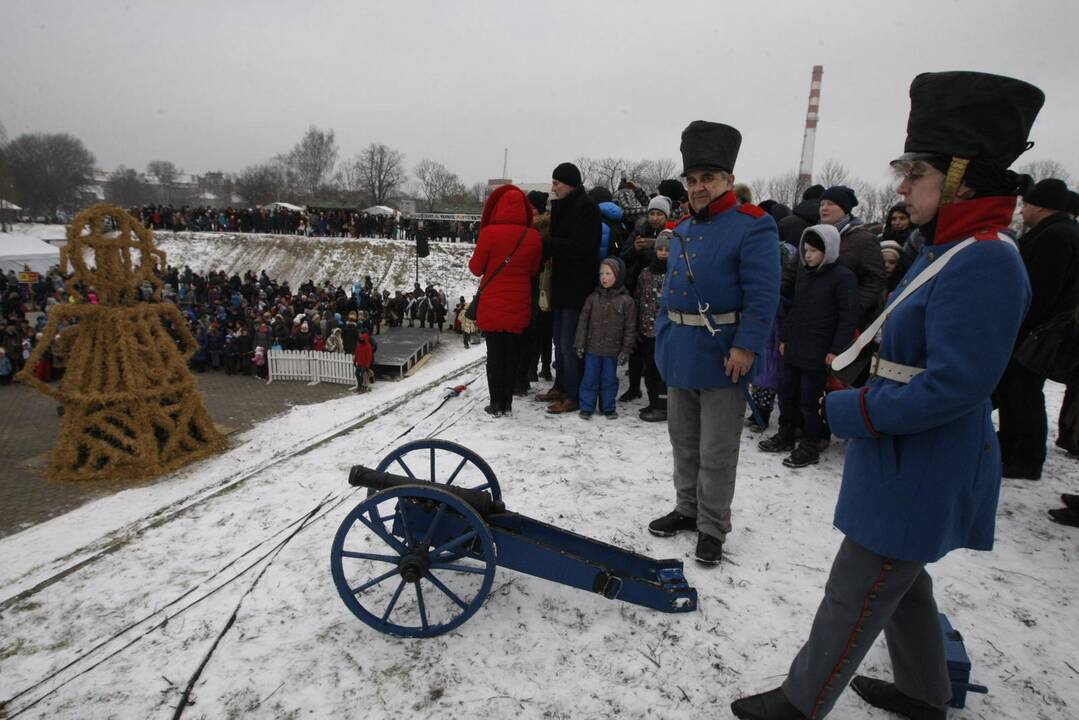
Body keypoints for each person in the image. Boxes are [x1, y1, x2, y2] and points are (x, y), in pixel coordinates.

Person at [731, 70, 1042, 720]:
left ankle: (799, 702)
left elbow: (955, 386)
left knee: (857, 587)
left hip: (919, 462)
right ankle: (924, 694)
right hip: (904, 456)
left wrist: (849, 410)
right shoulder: (953, 249)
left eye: (915, 173)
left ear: (961, 177)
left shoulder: (985, 259)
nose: (899, 186)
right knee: (900, 585)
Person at [648, 120, 781, 566]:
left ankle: (711, 525)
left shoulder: (754, 225)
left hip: (724, 354)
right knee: (683, 441)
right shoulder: (683, 228)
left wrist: (746, 347)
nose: (699, 187)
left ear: (727, 179)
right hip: (680, 349)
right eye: (693, 179)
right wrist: (664, 338)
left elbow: (763, 295)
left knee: (717, 450)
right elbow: (670, 291)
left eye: (708, 178)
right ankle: (687, 509)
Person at [994, 177, 1079, 479]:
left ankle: (1025, 458)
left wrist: (1021, 326)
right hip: (1040, 329)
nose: (1021, 211)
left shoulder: (1055, 236)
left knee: (1023, 391)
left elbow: (1041, 291)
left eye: (1026, 204)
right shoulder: (1057, 231)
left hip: (1037, 331)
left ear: (1041, 206)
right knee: (1016, 390)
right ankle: (1010, 447)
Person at [758, 224, 858, 468]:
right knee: (786, 392)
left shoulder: (843, 277)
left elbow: (848, 317)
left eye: (814, 250)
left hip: (820, 350)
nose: (808, 255)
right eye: (805, 249)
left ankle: (811, 443)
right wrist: (785, 339)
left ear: (830, 250)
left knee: (809, 400)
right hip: (795, 345)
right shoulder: (805, 274)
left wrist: (836, 350)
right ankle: (786, 433)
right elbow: (795, 309)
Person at [468, 184, 543, 416]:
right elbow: (533, 269)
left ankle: (496, 403)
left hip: (492, 304)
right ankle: (508, 402)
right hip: (519, 303)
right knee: (512, 356)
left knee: (495, 356)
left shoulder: (489, 233)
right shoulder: (532, 236)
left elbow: (476, 268)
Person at [534, 162, 601, 414]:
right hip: (561, 284)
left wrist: (549, 243)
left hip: (576, 285)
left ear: (570, 182)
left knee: (568, 343)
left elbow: (581, 247)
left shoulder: (587, 208)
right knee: (558, 340)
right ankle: (561, 385)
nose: (554, 187)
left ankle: (573, 394)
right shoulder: (564, 207)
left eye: (557, 182)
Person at [574, 256, 637, 419]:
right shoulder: (593, 298)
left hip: (612, 351)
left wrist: (625, 350)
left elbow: (630, 328)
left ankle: (608, 406)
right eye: (601, 273)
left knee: (609, 380)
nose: (604, 277)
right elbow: (583, 321)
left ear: (618, 276)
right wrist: (580, 343)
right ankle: (587, 406)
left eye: (608, 273)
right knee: (589, 378)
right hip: (592, 349)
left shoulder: (626, 301)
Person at [817, 185, 887, 328]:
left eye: (831, 204)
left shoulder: (864, 239)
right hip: (816, 318)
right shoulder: (814, 235)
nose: (824, 208)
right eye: (822, 204)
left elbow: (875, 279)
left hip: (845, 323)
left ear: (845, 208)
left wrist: (852, 310)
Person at [636, 230, 670, 422]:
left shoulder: (674, 274)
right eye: (660, 249)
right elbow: (639, 298)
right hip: (647, 329)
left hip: (665, 331)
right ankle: (652, 401)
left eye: (667, 250)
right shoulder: (646, 273)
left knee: (661, 370)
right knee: (649, 369)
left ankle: (663, 406)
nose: (663, 253)